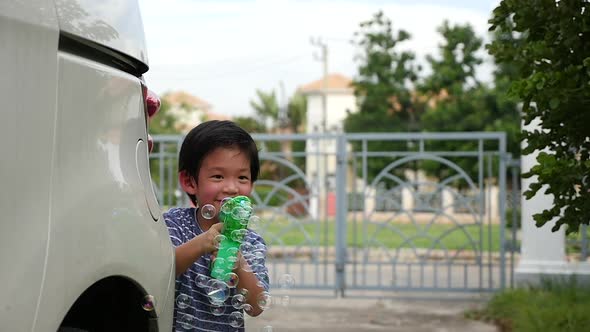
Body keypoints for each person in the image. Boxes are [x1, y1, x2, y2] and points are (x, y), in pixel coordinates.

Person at [163, 120, 270, 331]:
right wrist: (202, 243)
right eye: (218, 176)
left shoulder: (251, 242)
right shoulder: (176, 224)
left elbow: (257, 306)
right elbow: (162, 270)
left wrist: (237, 263)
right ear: (190, 182)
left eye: (242, 177)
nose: (231, 187)